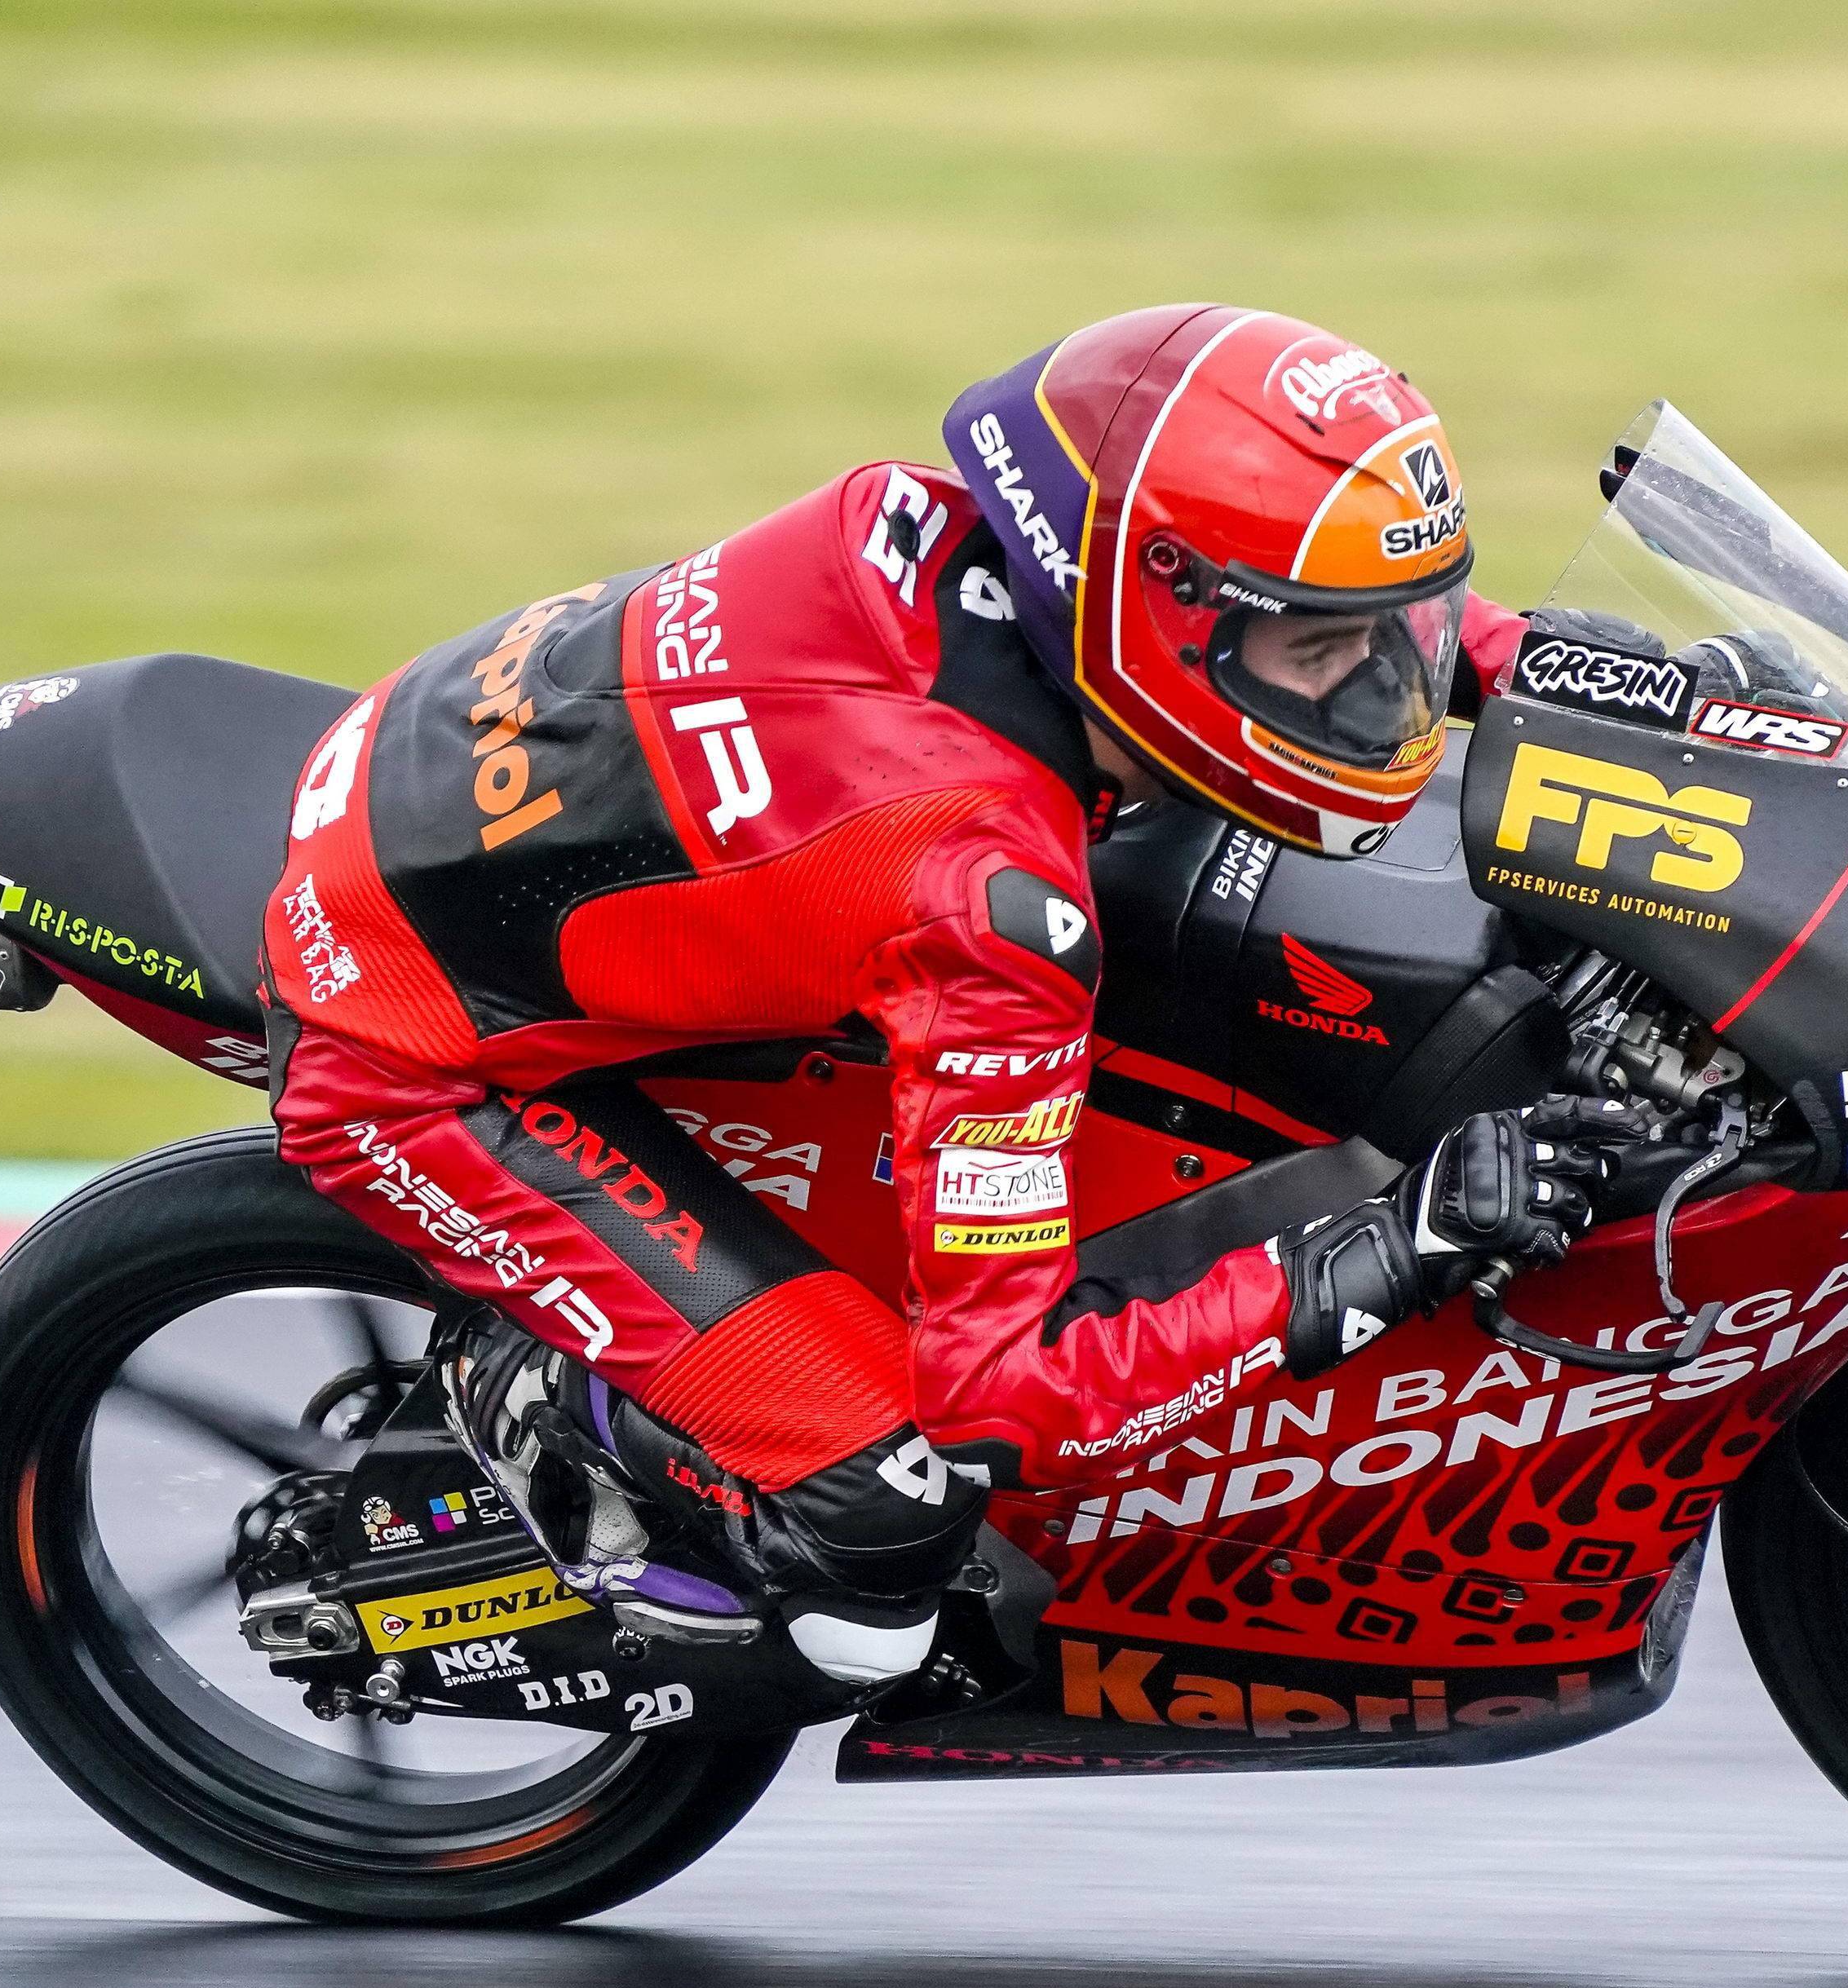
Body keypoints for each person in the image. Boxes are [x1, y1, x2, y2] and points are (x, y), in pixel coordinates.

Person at [258, 303, 1642, 1691]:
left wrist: (1583, 675)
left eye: (1399, 631)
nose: (1383, 685)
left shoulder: (970, 534)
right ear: (1155, 620)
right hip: (411, 1053)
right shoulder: (983, 901)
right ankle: (551, 1404)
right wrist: (1396, 1244)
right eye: (1322, 651)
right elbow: (1005, 1400)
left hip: (458, 787)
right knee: (885, 1531)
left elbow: (1319, 614)